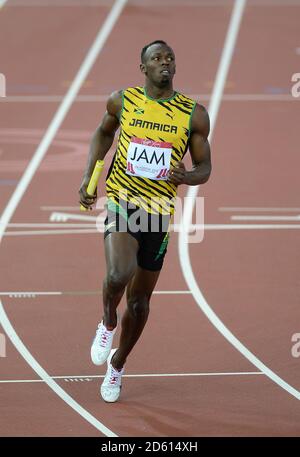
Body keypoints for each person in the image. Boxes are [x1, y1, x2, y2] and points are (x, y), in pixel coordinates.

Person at [79, 40, 212, 402]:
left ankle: (118, 364)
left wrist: (186, 177)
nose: (165, 63)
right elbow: (104, 133)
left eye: (170, 58)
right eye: (157, 58)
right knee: (118, 274)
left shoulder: (193, 114)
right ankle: (107, 322)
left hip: (159, 214)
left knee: (138, 304)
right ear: (144, 68)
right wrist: (90, 176)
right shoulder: (122, 100)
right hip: (123, 202)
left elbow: (205, 168)